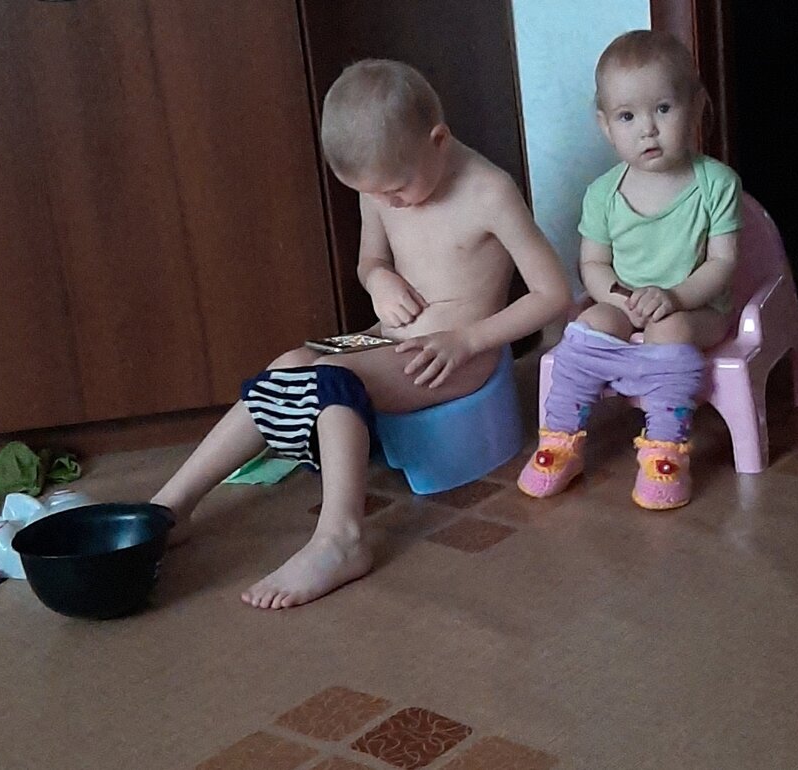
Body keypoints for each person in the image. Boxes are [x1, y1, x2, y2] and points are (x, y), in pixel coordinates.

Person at [152, 59, 571, 609]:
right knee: (290, 363)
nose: (388, 203)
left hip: (453, 356)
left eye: (395, 190)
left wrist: (469, 341)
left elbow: (552, 294)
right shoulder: (380, 184)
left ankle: (341, 539)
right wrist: (378, 280)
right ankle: (170, 507)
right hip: (383, 340)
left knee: (332, 375)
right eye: (373, 194)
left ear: (438, 140)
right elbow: (369, 259)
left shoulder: (488, 192)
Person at [517, 30, 742, 510]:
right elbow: (593, 263)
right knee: (588, 325)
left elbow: (722, 263)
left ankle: (665, 449)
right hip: (625, 300)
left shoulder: (716, 184)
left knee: (669, 329)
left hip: (697, 308)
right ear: (605, 125)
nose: (648, 130)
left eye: (663, 108)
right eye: (627, 116)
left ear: (697, 107)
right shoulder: (602, 194)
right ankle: (560, 440)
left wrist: (674, 297)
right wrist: (619, 298)